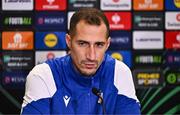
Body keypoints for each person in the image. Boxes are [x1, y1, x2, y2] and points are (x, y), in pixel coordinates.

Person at [21, 8, 141, 114]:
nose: (91, 56)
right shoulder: (44, 75)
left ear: (108, 44)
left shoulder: (119, 73)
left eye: (99, 44)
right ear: (68, 41)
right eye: (83, 44)